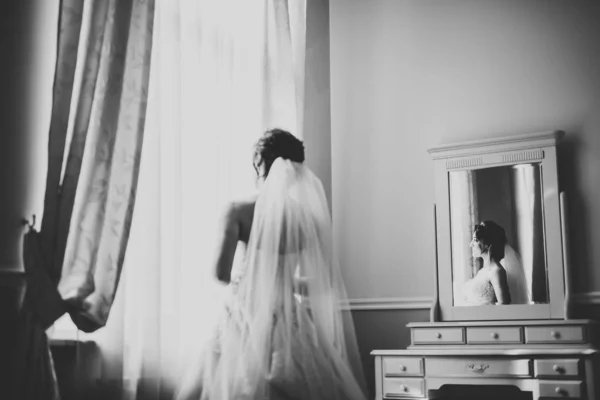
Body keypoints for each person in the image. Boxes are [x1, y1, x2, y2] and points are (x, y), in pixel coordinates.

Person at [175, 129, 368, 400]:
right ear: (296, 170)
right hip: (290, 321)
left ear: (259, 163)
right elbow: (316, 283)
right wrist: (285, 284)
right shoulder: (306, 220)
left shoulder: (238, 212)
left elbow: (220, 274)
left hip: (244, 312)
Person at [463, 221, 512, 306]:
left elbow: (504, 306)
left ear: (488, 244)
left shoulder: (497, 271)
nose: (471, 244)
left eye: (475, 240)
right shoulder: (482, 271)